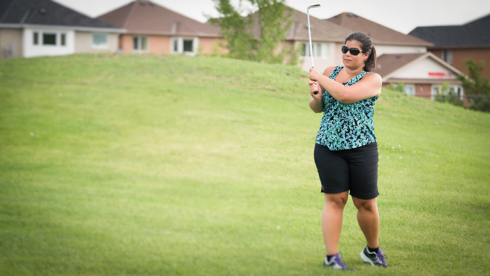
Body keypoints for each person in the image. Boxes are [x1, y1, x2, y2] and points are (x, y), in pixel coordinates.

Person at [308, 31, 387, 270]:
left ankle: (371, 251)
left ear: (365, 55)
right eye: (344, 49)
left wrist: (321, 81)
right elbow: (317, 108)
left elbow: (344, 95)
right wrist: (316, 95)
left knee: (366, 203)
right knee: (335, 200)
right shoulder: (329, 72)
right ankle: (331, 257)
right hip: (327, 146)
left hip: (361, 148)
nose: (347, 54)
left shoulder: (372, 79)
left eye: (353, 51)